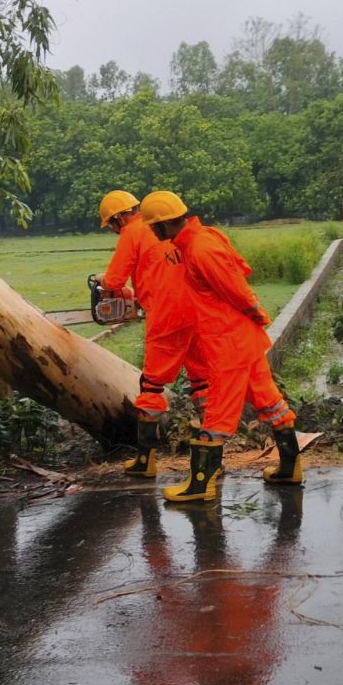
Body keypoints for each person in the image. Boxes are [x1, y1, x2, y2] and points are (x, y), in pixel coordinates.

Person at [139, 190, 305, 503]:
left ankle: (201, 485)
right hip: (240, 341)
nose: (151, 233)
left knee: (217, 413)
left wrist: (256, 312)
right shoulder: (193, 243)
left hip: (229, 343)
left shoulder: (200, 248)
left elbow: (236, 289)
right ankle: (290, 467)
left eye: (153, 227)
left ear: (163, 225)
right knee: (270, 402)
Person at [97, 190, 207, 478]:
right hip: (194, 310)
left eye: (111, 224)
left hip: (166, 316)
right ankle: (212, 453)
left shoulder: (132, 233)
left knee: (151, 387)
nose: (113, 229)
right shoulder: (164, 226)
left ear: (121, 217)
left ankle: (147, 459)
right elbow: (160, 272)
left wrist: (104, 282)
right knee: (201, 382)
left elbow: (115, 279)